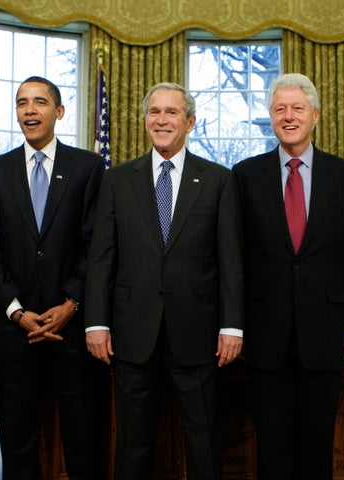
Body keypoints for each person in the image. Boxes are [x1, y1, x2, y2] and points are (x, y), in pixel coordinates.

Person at [84, 82, 244, 480]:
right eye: (154, 112)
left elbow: (230, 258)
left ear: (190, 121)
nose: (161, 120)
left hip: (198, 333)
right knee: (133, 442)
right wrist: (96, 322)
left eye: (171, 112)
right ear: (144, 121)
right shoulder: (117, 179)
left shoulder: (218, 180)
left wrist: (231, 325)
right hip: (132, 333)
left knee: (203, 438)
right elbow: (102, 255)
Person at [232, 73, 344, 480]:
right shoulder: (245, 176)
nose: (288, 116)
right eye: (280, 109)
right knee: (272, 446)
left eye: (297, 109)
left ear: (315, 115)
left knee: (316, 446)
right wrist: (236, 325)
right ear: (270, 117)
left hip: (326, 329)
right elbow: (235, 255)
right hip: (264, 332)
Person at [0, 76, 107, 480]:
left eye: (40, 102)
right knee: (18, 442)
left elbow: (96, 246)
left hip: (72, 330)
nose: (29, 110)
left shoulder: (88, 167)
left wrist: (71, 304)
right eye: (21, 103)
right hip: (16, 333)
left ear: (59, 111)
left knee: (83, 441)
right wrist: (17, 312)